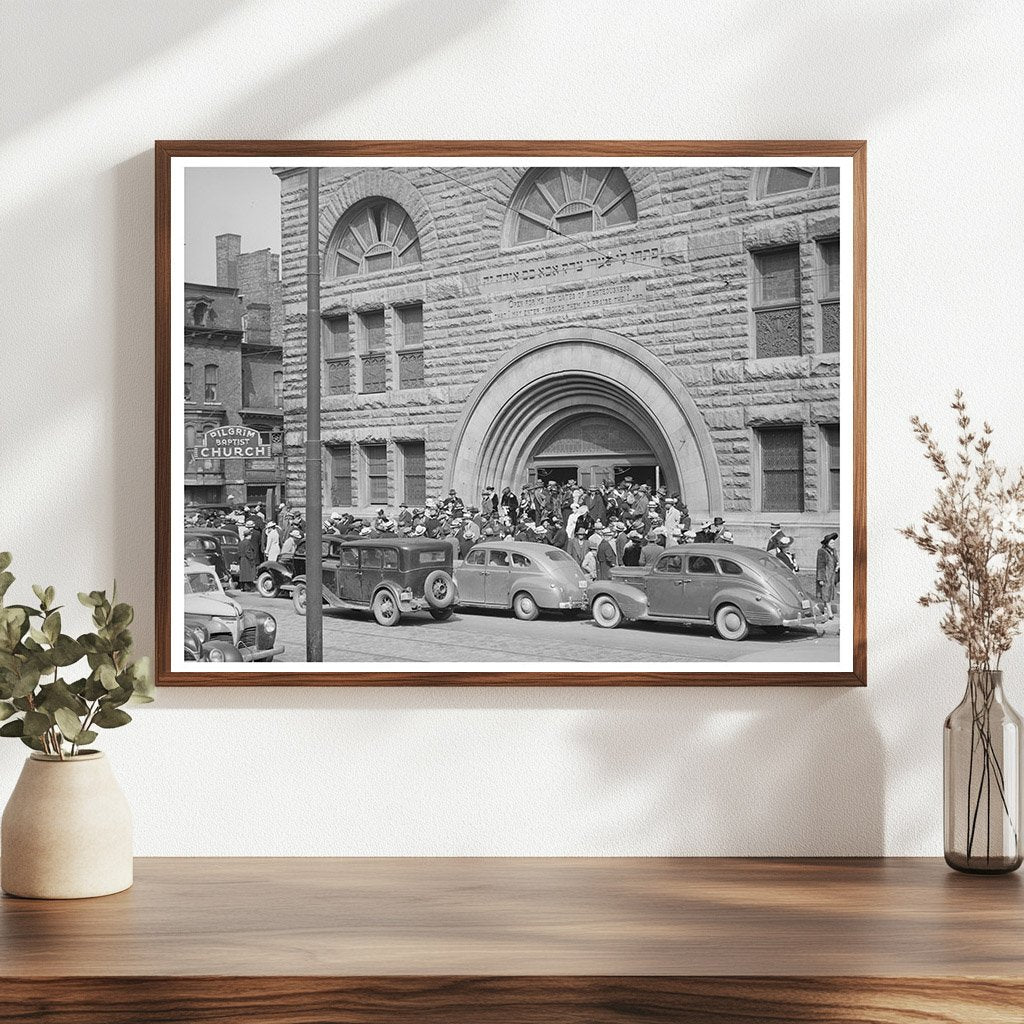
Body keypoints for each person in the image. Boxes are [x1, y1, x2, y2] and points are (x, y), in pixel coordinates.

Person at [816, 532, 839, 619]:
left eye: (834, 543)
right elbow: (820, 566)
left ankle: (825, 611)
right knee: (825, 594)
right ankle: (829, 613)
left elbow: (836, 561)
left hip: (832, 576)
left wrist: (837, 566)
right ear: (827, 544)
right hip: (825, 576)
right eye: (831, 543)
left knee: (828, 594)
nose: (833, 544)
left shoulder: (833, 551)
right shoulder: (822, 552)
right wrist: (820, 578)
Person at [238, 524, 259, 592]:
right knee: (248, 574)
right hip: (247, 559)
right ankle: (248, 587)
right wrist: (252, 558)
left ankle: (243, 587)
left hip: (242, 559)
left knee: (243, 574)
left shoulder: (241, 542)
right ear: (249, 535)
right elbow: (248, 552)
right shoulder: (247, 543)